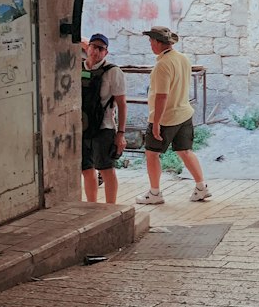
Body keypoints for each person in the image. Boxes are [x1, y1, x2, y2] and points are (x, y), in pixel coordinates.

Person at [137, 25, 211, 205]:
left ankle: (154, 193)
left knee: (151, 153)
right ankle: (201, 187)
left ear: (156, 42)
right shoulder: (183, 59)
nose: (150, 44)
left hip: (166, 117)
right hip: (184, 112)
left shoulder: (162, 65)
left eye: (150, 41)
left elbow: (162, 96)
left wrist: (155, 123)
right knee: (184, 150)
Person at [81, 33, 127, 204]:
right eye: (93, 47)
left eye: (101, 49)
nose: (96, 51)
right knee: (86, 169)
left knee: (106, 169)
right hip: (82, 127)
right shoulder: (78, 68)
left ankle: (110, 207)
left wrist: (121, 133)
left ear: (106, 53)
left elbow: (122, 104)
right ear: (87, 48)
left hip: (104, 127)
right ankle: (92, 206)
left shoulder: (113, 72)